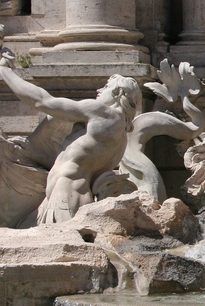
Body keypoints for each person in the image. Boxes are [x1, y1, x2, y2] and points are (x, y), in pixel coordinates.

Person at [0, 54, 141, 224]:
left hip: (65, 196)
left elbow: (42, 101)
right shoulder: (120, 139)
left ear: (118, 93)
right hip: (69, 196)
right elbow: (71, 161)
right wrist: (31, 155)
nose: (99, 91)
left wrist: (5, 71)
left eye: (105, 87)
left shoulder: (104, 113)